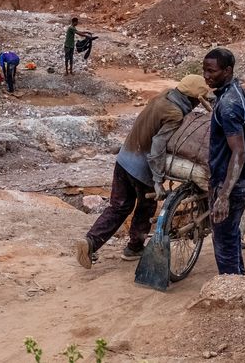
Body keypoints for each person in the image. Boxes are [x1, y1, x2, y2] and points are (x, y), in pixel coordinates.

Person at [74, 75, 211, 268]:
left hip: (124, 158)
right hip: (142, 167)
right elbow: (157, 147)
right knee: (146, 207)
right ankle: (134, 248)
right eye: (198, 100)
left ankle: (90, 242)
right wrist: (157, 181)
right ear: (193, 99)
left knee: (118, 206)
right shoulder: (175, 114)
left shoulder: (163, 96)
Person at [202, 48, 245, 276]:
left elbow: (239, 152)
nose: (205, 76)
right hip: (238, 180)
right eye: (204, 70)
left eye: (211, 71)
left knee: (224, 244)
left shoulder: (228, 105)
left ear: (228, 70)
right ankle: (240, 286)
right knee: (231, 239)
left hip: (229, 184)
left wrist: (223, 196)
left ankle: (232, 294)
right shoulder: (236, 92)